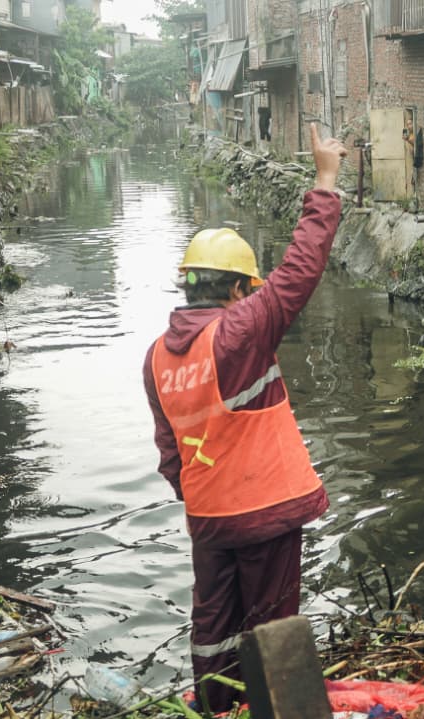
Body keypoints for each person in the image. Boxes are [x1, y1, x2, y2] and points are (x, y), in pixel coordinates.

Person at [143, 123, 348, 711]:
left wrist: (205, 494)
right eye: (248, 289)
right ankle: (274, 710)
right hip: (262, 513)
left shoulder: (157, 356)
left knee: (214, 626)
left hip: (208, 519)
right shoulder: (239, 332)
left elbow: (169, 453)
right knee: (271, 625)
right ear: (236, 289)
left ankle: (215, 706)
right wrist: (325, 179)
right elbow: (299, 270)